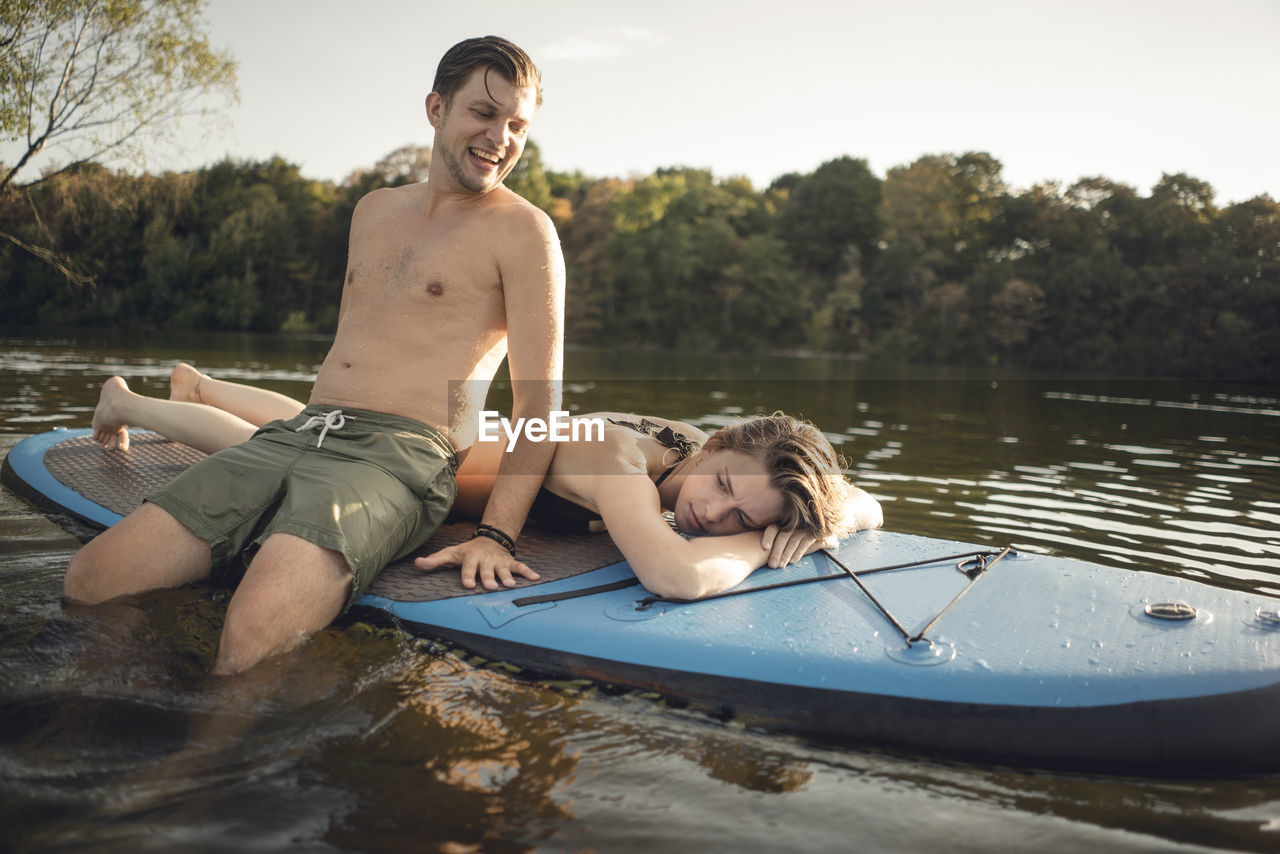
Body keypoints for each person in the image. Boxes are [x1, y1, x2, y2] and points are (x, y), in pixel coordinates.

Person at [64, 36, 565, 676]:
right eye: (484, 113)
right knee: (91, 578)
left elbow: (540, 402)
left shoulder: (524, 231)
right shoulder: (374, 211)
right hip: (301, 432)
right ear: (437, 109)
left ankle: (181, 775)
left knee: (250, 634)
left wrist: (495, 534)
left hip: (401, 457)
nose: (501, 136)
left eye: (518, 124)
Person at [91, 367, 884, 600]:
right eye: (723, 491)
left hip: (486, 441)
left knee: (307, 418)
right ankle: (128, 402)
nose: (715, 515)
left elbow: (871, 502)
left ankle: (199, 385)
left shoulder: (691, 457)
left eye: (743, 515)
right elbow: (675, 577)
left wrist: (825, 517)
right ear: (712, 446)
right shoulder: (621, 463)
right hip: (429, 463)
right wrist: (758, 543)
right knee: (283, 441)